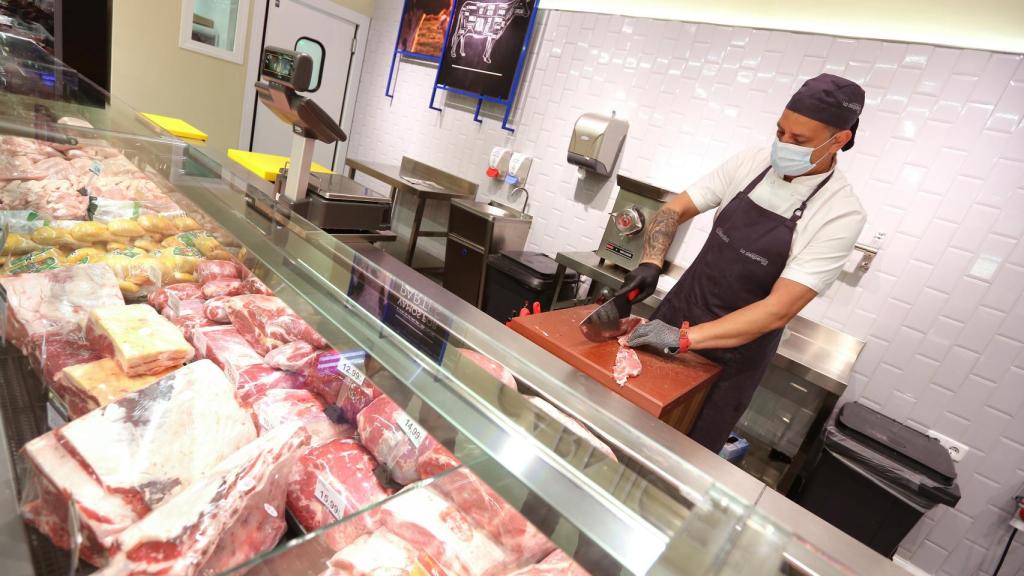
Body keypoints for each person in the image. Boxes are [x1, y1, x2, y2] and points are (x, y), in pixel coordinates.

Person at [623, 73, 868, 453]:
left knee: (674, 461)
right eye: (780, 132)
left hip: (728, 362)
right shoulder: (753, 162)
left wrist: (684, 338)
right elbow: (675, 209)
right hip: (674, 317)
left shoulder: (840, 212)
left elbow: (776, 311)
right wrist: (652, 262)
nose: (783, 144)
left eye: (799, 140)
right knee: (622, 426)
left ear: (839, 140)